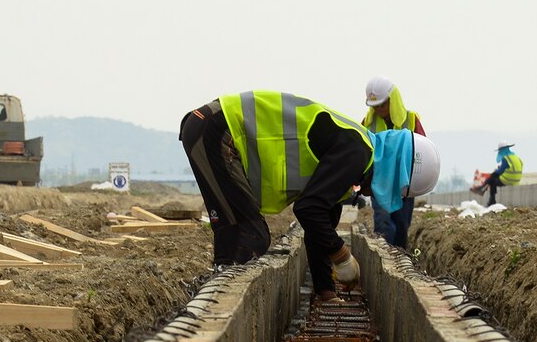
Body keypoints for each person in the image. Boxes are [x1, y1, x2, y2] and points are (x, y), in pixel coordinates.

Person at [179, 91, 441, 298]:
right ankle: (214, 305)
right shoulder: (357, 151)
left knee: (245, 235)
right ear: (396, 171)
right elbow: (307, 209)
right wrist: (341, 255)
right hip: (218, 130)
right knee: (247, 236)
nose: (376, 194)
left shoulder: (354, 164)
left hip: (216, 130)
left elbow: (320, 225)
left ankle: (218, 291)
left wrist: (325, 290)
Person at [363, 76, 427, 247]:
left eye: (382, 105)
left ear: (393, 100)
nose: (378, 109)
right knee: (383, 223)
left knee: (401, 226)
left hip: (404, 185)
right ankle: (383, 258)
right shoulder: (367, 124)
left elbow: (422, 152)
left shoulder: (411, 120)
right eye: (374, 106)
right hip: (380, 184)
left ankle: (400, 258)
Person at [476, 141, 523, 207]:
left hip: (508, 180)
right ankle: (483, 188)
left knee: (493, 179)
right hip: (516, 181)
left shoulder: (506, 158)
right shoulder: (516, 157)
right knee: (493, 177)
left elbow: (500, 171)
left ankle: (491, 199)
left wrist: (495, 172)